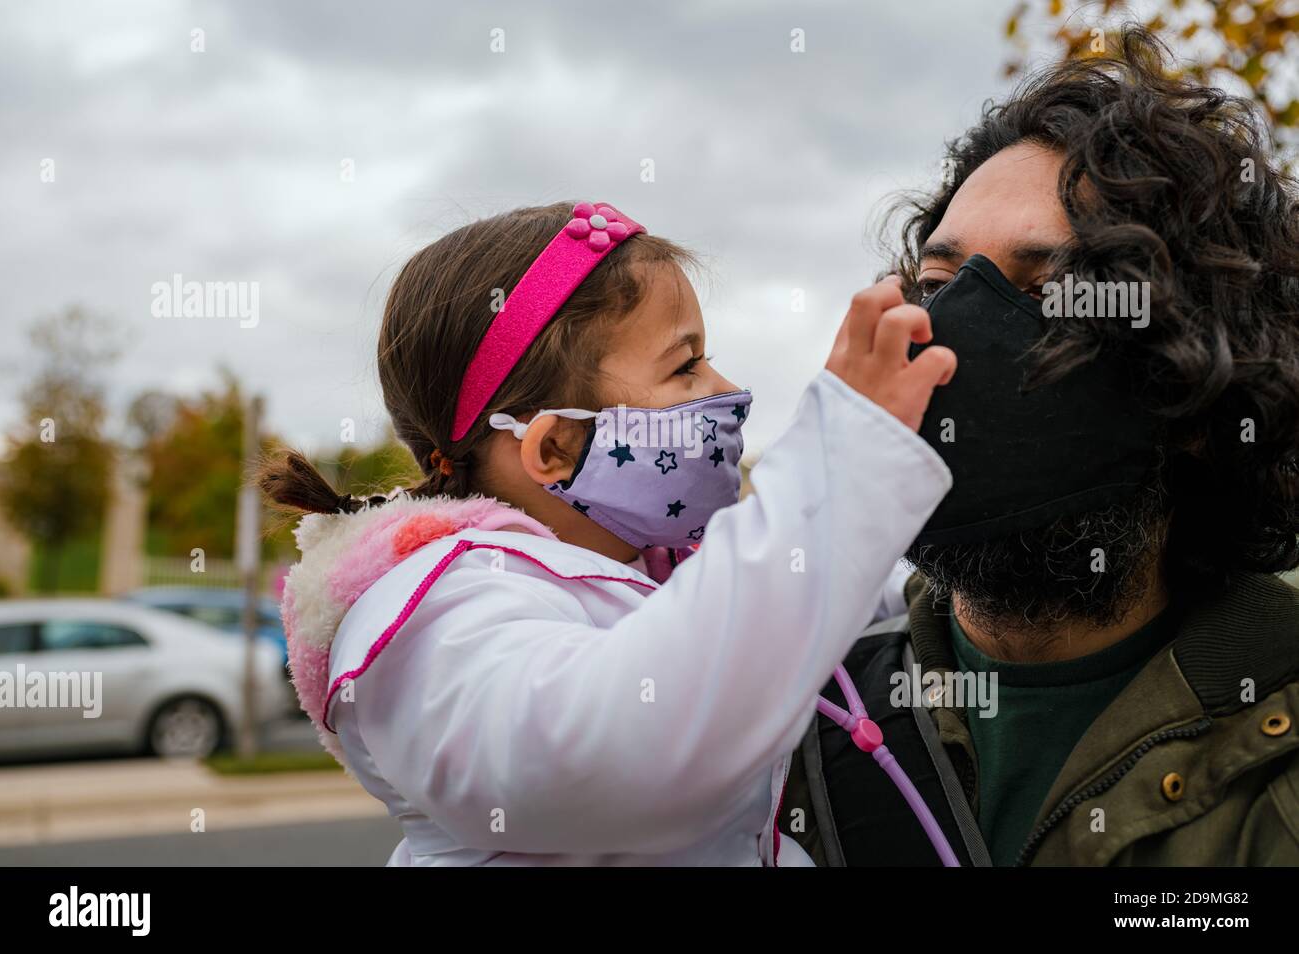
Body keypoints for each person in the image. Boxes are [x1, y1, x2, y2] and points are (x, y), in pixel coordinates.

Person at [259, 199, 958, 865]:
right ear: (555, 447)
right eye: (685, 365)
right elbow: (617, 755)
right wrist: (840, 463)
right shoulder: (428, 616)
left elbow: (871, 600)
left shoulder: (660, 570)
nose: (725, 388)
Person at [782, 27, 1299, 866]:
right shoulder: (790, 723)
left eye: (1050, 288)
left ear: (1203, 387)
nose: (951, 341)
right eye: (942, 285)